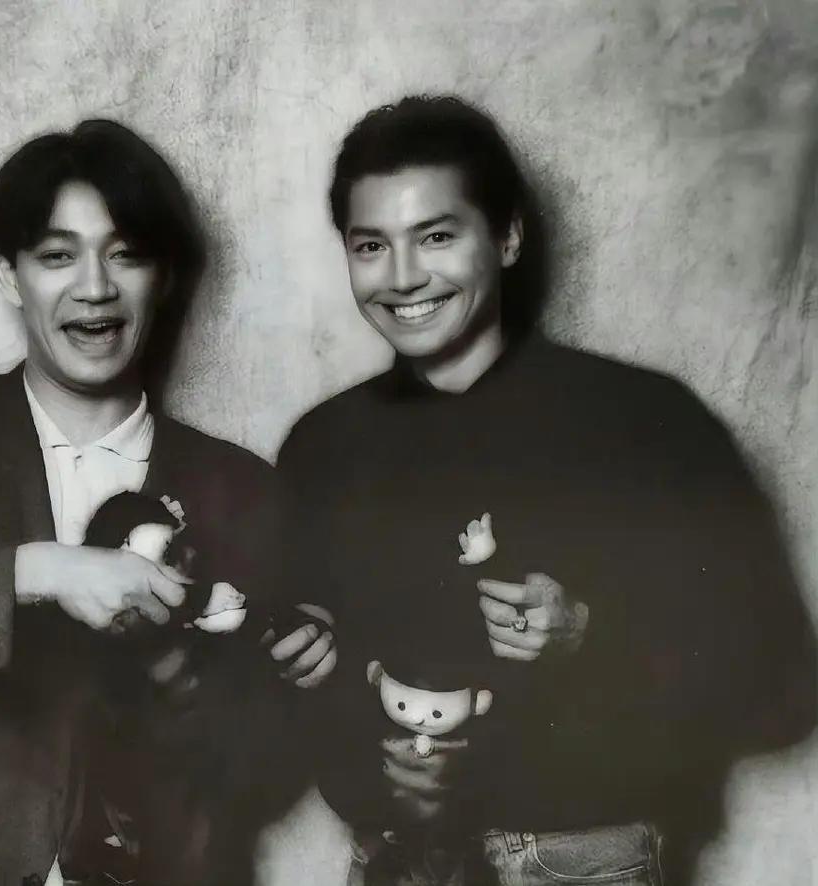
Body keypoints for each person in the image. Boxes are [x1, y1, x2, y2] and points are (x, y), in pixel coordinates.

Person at [277, 95, 816, 885]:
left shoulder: (645, 420)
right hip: (391, 861)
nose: (402, 277)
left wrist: (591, 632)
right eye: (370, 245)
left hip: (579, 863)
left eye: (436, 236)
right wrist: (320, 681)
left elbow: (783, 684)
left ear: (508, 236)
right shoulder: (321, 445)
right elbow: (284, 700)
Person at [0, 119, 334, 886]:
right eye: (57, 255)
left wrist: (300, 659)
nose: (95, 287)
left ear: (163, 277)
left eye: (126, 254)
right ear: (12, 276)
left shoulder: (239, 486)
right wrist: (34, 572)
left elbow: (261, 772)